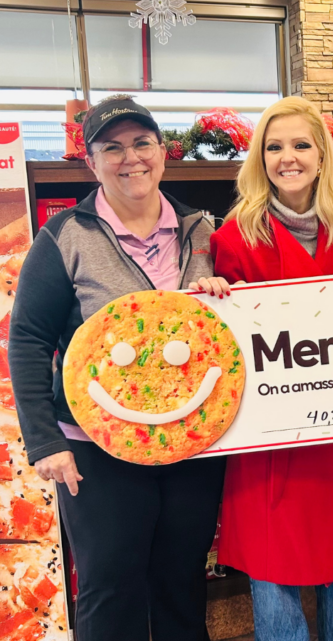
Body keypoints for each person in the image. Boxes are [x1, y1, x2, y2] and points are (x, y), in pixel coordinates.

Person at [8, 95, 229, 641]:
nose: (131, 158)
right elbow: (29, 339)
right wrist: (44, 441)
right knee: (110, 587)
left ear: (163, 151)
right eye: (113, 148)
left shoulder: (203, 231)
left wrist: (225, 294)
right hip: (95, 448)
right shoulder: (64, 237)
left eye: (142, 143)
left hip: (188, 442)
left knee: (182, 581)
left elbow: (224, 333)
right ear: (91, 161)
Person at [204, 96, 333, 641]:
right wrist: (212, 294)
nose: (288, 157)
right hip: (271, 443)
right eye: (274, 146)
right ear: (259, 158)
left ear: (322, 155)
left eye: (301, 145)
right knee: (273, 570)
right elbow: (223, 342)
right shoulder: (234, 237)